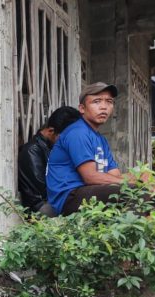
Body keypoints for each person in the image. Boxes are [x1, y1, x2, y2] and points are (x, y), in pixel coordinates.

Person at [46, 82, 137, 216]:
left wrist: (139, 178)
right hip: (70, 196)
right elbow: (91, 177)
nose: (104, 107)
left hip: (90, 191)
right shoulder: (78, 133)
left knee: (154, 192)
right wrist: (132, 180)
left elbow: (115, 175)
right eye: (96, 101)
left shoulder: (100, 139)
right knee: (136, 193)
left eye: (109, 102)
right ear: (82, 108)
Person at [17, 106, 84, 215]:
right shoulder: (32, 150)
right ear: (51, 131)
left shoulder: (54, 148)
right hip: (42, 206)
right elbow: (46, 190)